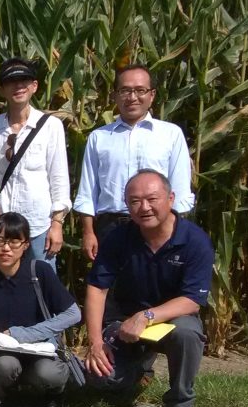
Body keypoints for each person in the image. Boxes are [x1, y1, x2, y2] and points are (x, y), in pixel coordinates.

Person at [84, 170, 213, 407]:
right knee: (96, 378)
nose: (144, 208)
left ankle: (180, 404)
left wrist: (146, 317)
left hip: (171, 321)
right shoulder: (119, 238)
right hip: (123, 323)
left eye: (152, 199)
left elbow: (192, 300)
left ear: (171, 198)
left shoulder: (194, 240)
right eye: (134, 201)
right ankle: (139, 372)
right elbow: (97, 288)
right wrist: (96, 343)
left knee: (188, 333)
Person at [0, 212, 81, 407]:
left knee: (47, 373)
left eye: (14, 241)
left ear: (26, 244)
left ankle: (53, 393)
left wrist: (23, 334)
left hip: (40, 350)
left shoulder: (39, 272)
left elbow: (73, 314)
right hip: (1, 354)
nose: (6, 248)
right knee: (4, 366)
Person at [74, 64, 195, 261]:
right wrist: (88, 233)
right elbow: (87, 192)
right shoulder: (99, 137)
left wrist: (174, 233)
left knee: (156, 290)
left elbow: (180, 191)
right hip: (111, 228)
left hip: (158, 225)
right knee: (112, 290)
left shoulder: (170, 134)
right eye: (125, 91)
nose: (132, 97)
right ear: (115, 95)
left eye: (140, 90)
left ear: (152, 95)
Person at [0, 57, 71, 268]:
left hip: (39, 224)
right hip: (2, 225)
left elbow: (58, 177)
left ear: (34, 86)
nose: (18, 86)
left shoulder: (51, 126)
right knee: (4, 287)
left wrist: (57, 224)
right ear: (1, 90)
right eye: (11, 82)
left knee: (41, 285)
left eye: (24, 80)